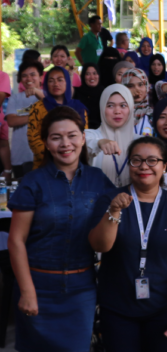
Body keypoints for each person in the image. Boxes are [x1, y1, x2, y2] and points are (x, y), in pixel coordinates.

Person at [9, 107, 117, 351]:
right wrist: (27, 291)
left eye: (71, 135)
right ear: (46, 143)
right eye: (56, 137)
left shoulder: (97, 179)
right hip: (38, 287)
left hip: (81, 291)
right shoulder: (33, 182)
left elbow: (130, 202)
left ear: (82, 138)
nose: (65, 143)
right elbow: (16, 240)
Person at [88, 137, 167, 352]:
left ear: (164, 166)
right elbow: (100, 246)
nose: (144, 166)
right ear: (129, 164)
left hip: (161, 308)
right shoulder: (110, 199)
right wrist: (114, 212)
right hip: (117, 306)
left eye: (152, 160)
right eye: (136, 160)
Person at [85, 84, 138, 187]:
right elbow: (82, 142)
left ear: (131, 109)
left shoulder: (140, 142)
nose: (117, 111)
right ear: (102, 108)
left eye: (123, 105)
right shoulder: (92, 135)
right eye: (110, 105)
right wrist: (100, 143)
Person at [8, 62, 44, 175]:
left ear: (40, 77)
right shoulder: (15, 98)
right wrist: (37, 115)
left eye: (33, 74)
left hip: (43, 155)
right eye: (24, 75)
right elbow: (11, 121)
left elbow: (52, 112)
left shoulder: (48, 96)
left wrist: (38, 94)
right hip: (20, 156)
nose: (28, 78)